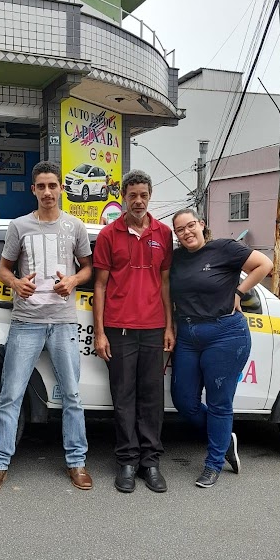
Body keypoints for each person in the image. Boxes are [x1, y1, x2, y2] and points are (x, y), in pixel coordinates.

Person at [0, 162, 93, 495]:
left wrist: (73, 279)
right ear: (34, 189)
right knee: (11, 395)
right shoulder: (19, 226)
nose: (47, 192)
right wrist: (16, 283)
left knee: (72, 396)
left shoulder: (75, 227)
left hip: (63, 322)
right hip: (26, 322)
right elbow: (3, 269)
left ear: (61, 189)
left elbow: (88, 269)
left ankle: (77, 462)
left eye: (52, 186)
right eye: (41, 186)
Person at [169, 208, 273, 488]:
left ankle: (214, 463)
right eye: (180, 229)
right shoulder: (176, 259)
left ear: (202, 225)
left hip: (225, 334)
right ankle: (225, 438)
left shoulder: (224, 248)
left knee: (219, 403)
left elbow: (264, 264)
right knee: (184, 400)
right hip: (188, 335)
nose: (187, 232)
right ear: (176, 235)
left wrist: (239, 293)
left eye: (191, 225)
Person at [93, 169, 174, 494]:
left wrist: (170, 326)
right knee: (124, 398)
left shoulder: (164, 233)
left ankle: (150, 462)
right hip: (120, 329)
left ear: (149, 196)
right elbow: (99, 286)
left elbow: (166, 282)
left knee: (152, 399)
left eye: (143, 195)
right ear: (123, 197)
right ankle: (126, 461)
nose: (138, 201)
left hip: (154, 329)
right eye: (132, 195)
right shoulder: (109, 235)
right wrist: (100, 332)